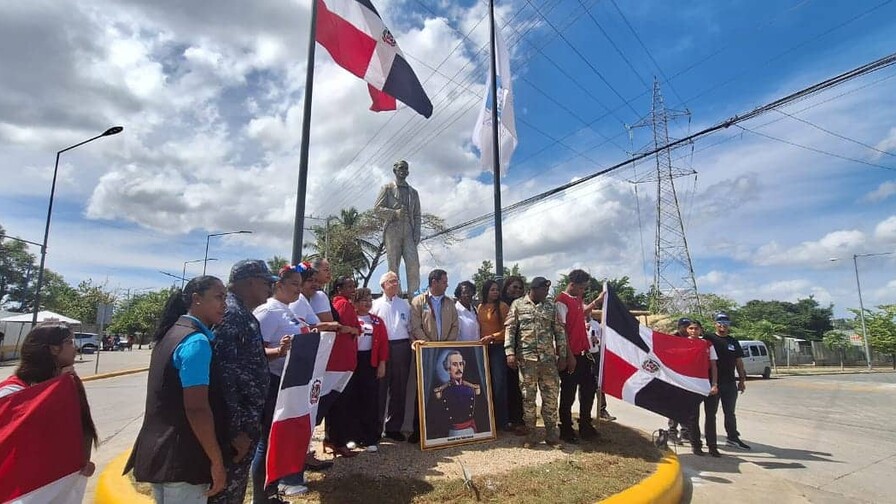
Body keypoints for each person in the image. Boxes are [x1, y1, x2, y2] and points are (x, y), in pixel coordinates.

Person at [126, 276, 228, 503]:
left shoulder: (170, 333)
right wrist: (216, 461)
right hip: (184, 458)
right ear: (196, 299)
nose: (224, 304)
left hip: (161, 453)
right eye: (218, 297)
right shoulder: (196, 342)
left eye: (225, 298)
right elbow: (197, 408)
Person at [211, 260, 278, 504]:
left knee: (234, 492)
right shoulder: (231, 315)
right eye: (265, 283)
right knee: (225, 493)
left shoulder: (242, 314)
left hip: (246, 425)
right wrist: (235, 431)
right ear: (250, 282)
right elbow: (223, 378)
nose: (269, 289)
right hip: (235, 432)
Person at [0, 323, 98, 487]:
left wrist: (83, 461)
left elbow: (82, 426)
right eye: (69, 343)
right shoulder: (11, 392)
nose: (75, 349)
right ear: (53, 349)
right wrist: (54, 389)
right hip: (21, 485)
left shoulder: (69, 382)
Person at [250, 264, 312, 502]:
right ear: (279, 285)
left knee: (279, 440)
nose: (299, 289)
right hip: (273, 383)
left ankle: (272, 492)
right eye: (294, 284)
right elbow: (255, 351)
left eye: (300, 284)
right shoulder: (268, 312)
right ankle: (261, 497)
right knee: (267, 441)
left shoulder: (289, 311)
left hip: (291, 383)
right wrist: (279, 350)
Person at [505, 277, 568, 448]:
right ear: (534, 289)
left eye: (547, 290)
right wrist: (509, 352)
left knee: (551, 397)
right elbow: (510, 330)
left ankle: (552, 436)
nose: (547, 293)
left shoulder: (550, 307)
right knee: (528, 398)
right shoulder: (518, 305)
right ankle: (531, 435)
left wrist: (562, 355)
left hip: (548, 362)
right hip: (527, 361)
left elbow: (559, 331)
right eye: (544, 290)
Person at [408, 269, 459, 443]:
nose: (447, 284)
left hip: (445, 352)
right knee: (423, 390)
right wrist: (429, 345)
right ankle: (419, 430)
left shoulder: (450, 302)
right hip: (425, 352)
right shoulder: (418, 301)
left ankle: (441, 428)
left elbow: (455, 325)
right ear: (434, 282)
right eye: (444, 281)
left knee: (444, 390)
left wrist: (445, 345)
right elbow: (415, 326)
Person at [555, 270, 600, 443]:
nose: (583, 291)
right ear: (572, 285)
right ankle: (566, 428)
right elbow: (562, 330)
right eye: (581, 288)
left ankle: (585, 425)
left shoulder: (577, 299)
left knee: (588, 390)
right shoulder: (561, 301)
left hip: (584, 353)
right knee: (568, 393)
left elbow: (579, 315)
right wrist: (568, 356)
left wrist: (596, 302)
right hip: (570, 355)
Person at [370, 271, 413, 443]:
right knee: (379, 388)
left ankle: (394, 427)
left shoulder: (405, 305)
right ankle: (376, 428)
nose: (395, 284)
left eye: (397, 281)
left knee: (399, 388)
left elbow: (410, 328)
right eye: (391, 281)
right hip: (382, 346)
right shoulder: (375, 304)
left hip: (402, 346)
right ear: (383, 285)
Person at [324, 276, 362, 457]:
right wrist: (354, 330)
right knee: (341, 404)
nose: (353, 289)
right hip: (342, 360)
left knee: (333, 403)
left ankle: (331, 439)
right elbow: (348, 328)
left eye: (354, 286)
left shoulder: (336, 303)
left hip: (336, 360)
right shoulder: (344, 305)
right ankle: (339, 442)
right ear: (339, 289)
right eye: (349, 286)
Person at [374, 160, 422, 296]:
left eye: (406, 168)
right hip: (392, 229)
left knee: (413, 263)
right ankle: (395, 294)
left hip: (409, 229)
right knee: (393, 264)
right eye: (401, 168)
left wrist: (417, 231)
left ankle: (414, 295)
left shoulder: (413, 192)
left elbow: (417, 214)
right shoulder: (387, 188)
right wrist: (394, 213)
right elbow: (377, 209)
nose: (404, 170)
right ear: (395, 170)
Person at [705, 312, 751, 450]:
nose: (722, 326)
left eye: (725, 323)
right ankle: (711, 443)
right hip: (712, 383)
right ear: (715, 324)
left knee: (730, 413)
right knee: (710, 414)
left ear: (729, 325)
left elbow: (739, 362)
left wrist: (742, 380)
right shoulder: (708, 338)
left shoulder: (733, 342)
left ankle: (732, 438)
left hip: (730, 383)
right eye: (719, 323)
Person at [352, 287, 389, 452]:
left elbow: (383, 344)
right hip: (352, 361)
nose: (367, 303)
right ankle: (353, 436)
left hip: (370, 361)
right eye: (363, 300)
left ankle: (370, 438)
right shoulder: (350, 318)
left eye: (369, 300)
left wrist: (382, 363)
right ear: (356, 303)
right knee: (353, 399)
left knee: (370, 399)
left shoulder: (377, 321)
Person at [683, 320, 720, 457]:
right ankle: (696, 445)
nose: (693, 331)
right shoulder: (682, 343)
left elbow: (714, 365)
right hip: (692, 383)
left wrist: (714, 384)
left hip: (708, 381)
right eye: (691, 328)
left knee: (710, 416)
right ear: (687, 330)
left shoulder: (707, 344)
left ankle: (712, 446)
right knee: (693, 417)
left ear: (701, 330)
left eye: (696, 328)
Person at [477, 279, 510, 432]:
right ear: (486, 291)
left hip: (497, 348)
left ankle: (501, 421)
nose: (495, 292)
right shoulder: (480, 307)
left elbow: (508, 330)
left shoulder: (503, 307)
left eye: (497, 290)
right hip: (482, 349)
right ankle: (486, 419)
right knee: (485, 384)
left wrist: (493, 336)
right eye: (492, 290)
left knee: (499, 384)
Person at [427, 350, 481, 439]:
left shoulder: (471, 389)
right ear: (448, 369)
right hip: (452, 433)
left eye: (461, 364)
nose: (459, 368)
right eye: (454, 365)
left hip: (471, 430)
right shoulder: (443, 391)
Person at [500, 276, 527, 434]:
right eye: (514, 287)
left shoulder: (524, 305)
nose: (517, 290)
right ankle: (504, 419)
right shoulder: (500, 303)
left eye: (520, 288)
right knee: (503, 386)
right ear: (507, 287)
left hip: (520, 350)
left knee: (518, 386)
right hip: (501, 349)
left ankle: (518, 419)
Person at [584, 304, 615, 423]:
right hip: (583, 356)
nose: (587, 313)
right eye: (585, 311)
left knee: (599, 383)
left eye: (589, 311)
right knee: (584, 387)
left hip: (595, 355)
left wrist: (597, 341)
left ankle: (602, 409)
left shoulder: (596, 325)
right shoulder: (577, 323)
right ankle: (585, 412)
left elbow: (603, 340)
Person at [668, 317, 692, 444]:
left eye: (689, 326)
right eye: (685, 326)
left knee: (686, 406)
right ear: (679, 327)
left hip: (688, 378)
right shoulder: (672, 339)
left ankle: (686, 432)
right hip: (675, 378)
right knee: (674, 406)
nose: (687, 329)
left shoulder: (693, 341)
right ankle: (672, 432)